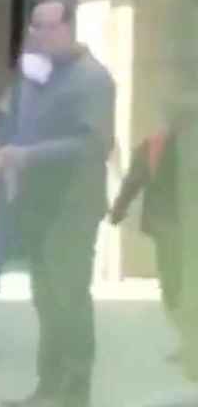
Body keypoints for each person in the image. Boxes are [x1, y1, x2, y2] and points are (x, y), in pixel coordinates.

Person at [0, 1, 115, 407]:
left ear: (68, 28)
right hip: (38, 205)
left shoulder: (92, 78)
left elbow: (93, 143)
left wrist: (31, 156)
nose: (43, 34)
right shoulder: (41, 78)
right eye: (37, 27)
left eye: (50, 26)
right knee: (45, 298)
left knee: (69, 297)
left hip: (73, 206)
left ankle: (75, 391)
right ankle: (49, 386)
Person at [109, 109, 186, 362]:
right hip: (176, 227)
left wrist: (119, 209)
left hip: (168, 228)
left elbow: (133, 181)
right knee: (177, 285)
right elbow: (134, 180)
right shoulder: (154, 146)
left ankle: (188, 342)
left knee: (173, 285)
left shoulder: (153, 146)